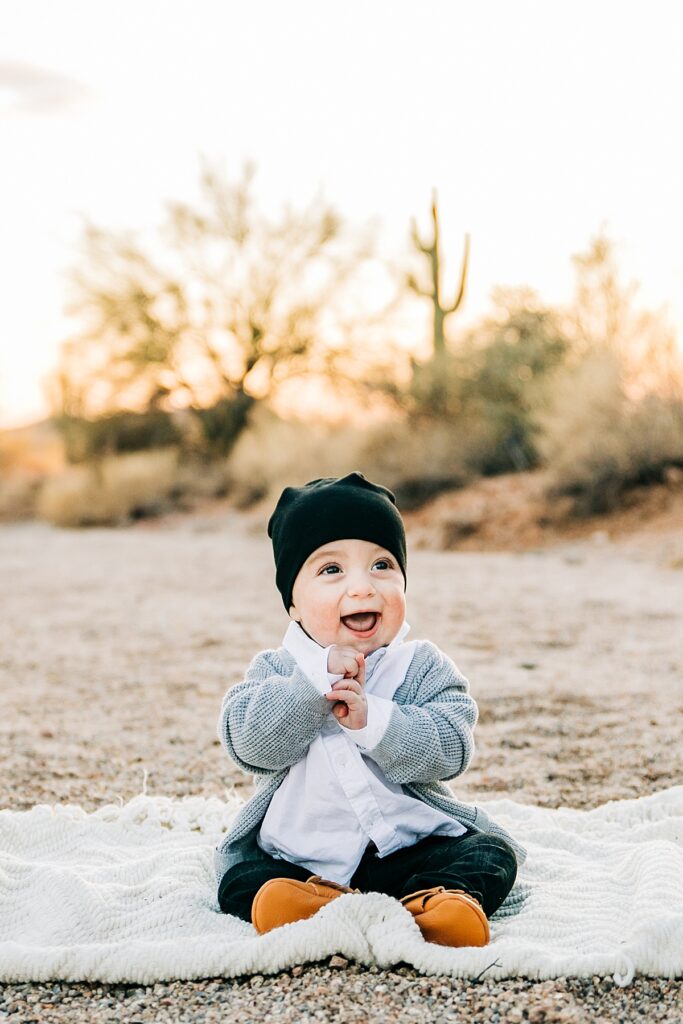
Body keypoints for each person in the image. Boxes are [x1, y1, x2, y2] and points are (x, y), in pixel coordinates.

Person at [214, 472, 525, 947]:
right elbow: (250, 745)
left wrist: (375, 721)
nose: (362, 588)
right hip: (301, 858)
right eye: (331, 570)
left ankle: (434, 904)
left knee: (491, 854)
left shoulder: (420, 666)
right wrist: (311, 686)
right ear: (293, 605)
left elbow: (452, 747)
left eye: (382, 566)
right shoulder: (278, 670)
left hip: (407, 851)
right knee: (240, 880)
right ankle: (316, 903)